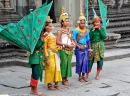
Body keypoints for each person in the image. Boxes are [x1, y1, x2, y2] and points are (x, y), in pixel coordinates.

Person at [56, 6, 75, 86]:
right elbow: (57, 42)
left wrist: (73, 43)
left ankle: (66, 78)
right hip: (63, 49)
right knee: (64, 63)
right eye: (66, 21)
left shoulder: (69, 30)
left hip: (70, 49)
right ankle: (63, 79)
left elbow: (71, 39)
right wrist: (66, 44)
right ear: (62, 22)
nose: (67, 22)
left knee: (68, 64)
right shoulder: (60, 31)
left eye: (68, 21)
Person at [72, 6, 91, 82]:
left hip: (86, 48)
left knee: (85, 62)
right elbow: (73, 39)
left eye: (84, 23)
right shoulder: (75, 30)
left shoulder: (87, 30)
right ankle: (79, 76)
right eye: (81, 23)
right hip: (79, 49)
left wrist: (90, 49)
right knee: (79, 62)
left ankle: (83, 76)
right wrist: (78, 46)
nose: (83, 24)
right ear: (79, 23)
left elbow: (88, 40)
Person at [86, 9, 107, 80]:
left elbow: (104, 37)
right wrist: (92, 31)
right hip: (93, 46)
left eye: (98, 22)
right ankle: (87, 74)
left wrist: (100, 29)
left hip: (100, 46)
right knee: (90, 61)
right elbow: (90, 38)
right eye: (95, 22)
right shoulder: (91, 29)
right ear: (93, 23)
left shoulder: (102, 28)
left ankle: (97, 75)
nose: (97, 23)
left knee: (100, 61)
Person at [43, 16, 62, 90]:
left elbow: (54, 44)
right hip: (49, 54)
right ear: (46, 27)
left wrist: (59, 47)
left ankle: (56, 84)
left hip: (55, 53)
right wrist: (46, 58)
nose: (52, 27)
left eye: (52, 26)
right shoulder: (45, 36)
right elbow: (44, 48)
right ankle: (49, 84)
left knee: (57, 69)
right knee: (50, 70)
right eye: (50, 26)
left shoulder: (51, 34)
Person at [29, 31, 48, 96]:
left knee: (34, 73)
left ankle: (32, 89)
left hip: (38, 56)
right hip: (35, 57)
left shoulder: (37, 37)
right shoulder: (33, 37)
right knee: (36, 74)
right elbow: (37, 46)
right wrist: (43, 37)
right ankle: (35, 91)